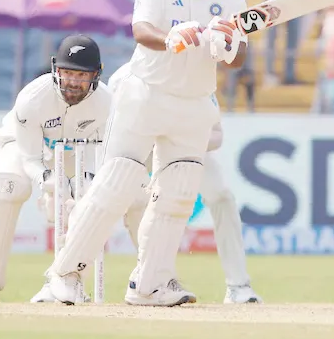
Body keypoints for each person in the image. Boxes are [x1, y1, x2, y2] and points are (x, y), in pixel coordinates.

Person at [46, 0, 249, 307]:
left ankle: (150, 283)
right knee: (118, 181)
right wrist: (171, 35)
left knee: (177, 195)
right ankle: (65, 274)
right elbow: (141, 31)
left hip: (193, 104)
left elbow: (240, 55)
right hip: (147, 93)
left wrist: (231, 48)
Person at [0, 34, 111, 303]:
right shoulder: (32, 98)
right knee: (9, 186)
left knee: (86, 200)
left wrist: (84, 181)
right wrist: (45, 178)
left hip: (75, 147)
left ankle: (68, 279)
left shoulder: (108, 104)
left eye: (81, 76)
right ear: (56, 69)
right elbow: (29, 156)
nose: (72, 82)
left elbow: (102, 156)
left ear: (96, 75)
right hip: (24, 144)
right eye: (67, 73)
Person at [108, 63, 261, 304]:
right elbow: (113, 127)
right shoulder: (125, 77)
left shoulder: (199, 79)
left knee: (222, 197)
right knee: (137, 202)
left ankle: (238, 286)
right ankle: (155, 277)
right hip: (139, 148)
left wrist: (183, 138)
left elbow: (217, 136)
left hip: (187, 148)